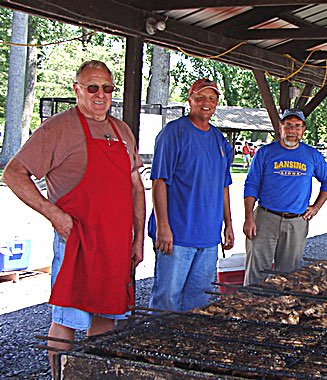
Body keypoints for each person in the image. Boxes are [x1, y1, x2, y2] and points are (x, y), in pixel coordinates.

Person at [2, 60, 145, 371]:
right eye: (92, 87)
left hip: (115, 244)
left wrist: (137, 239)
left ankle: (93, 374)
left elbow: (136, 187)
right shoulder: (58, 128)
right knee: (67, 318)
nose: (100, 95)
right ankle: (58, 375)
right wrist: (54, 214)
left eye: (107, 88)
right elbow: (14, 174)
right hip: (77, 241)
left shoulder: (122, 131)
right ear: (77, 90)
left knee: (106, 317)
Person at [147, 78, 234, 312]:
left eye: (212, 99)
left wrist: (228, 224)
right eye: (201, 98)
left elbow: (224, 185)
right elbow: (159, 181)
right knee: (167, 299)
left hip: (208, 237)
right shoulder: (173, 133)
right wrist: (163, 226)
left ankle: (186, 347)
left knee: (199, 301)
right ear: (190, 100)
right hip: (177, 236)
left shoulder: (219, 140)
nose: (206, 103)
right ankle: (158, 344)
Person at [243, 108, 327, 285]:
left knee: (289, 276)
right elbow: (251, 185)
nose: (292, 130)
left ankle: (279, 310)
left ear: (303, 130)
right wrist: (248, 217)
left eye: (297, 126)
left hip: (296, 222)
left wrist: (316, 207)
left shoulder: (312, 155)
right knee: (256, 272)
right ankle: (250, 305)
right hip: (265, 219)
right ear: (280, 128)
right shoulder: (265, 153)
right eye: (288, 125)